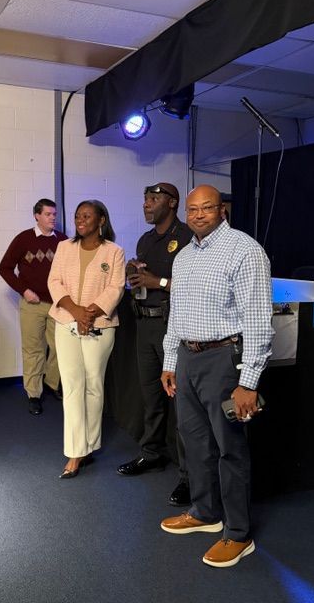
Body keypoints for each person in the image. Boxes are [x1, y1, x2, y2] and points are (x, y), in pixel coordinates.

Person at [160, 184, 273, 568]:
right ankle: (205, 513)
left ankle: (238, 534)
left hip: (225, 360)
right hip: (187, 357)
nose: (198, 215)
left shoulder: (244, 250)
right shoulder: (184, 256)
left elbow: (258, 320)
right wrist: (170, 361)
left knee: (229, 447)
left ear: (221, 209)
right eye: (192, 209)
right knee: (194, 443)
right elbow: (176, 314)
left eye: (206, 208)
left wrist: (248, 381)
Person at [117, 183, 193, 507]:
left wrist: (156, 281)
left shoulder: (187, 238)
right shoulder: (145, 240)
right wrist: (132, 272)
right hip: (144, 325)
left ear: (172, 203)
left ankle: (189, 476)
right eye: (145, 199)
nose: (147, 204)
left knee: (183, 405)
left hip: (171, 325)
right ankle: (152, 454)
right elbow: (141, 281)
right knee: (151, 396)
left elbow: (192, 285)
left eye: (154, 199)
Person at [48, 200, 125, 478]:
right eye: (77, 216)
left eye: (87, 216)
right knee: (72, 386)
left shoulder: (114, 252)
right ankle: (74, 451)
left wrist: (90, 313)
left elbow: (116, 288)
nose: (80, 220)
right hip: (66, 321)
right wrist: (77, 312)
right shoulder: (64, 247)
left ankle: (90, 445)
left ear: (101, 220)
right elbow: (54, 281)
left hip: (100, 325)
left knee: (94, 385)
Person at [0, 199, 67, 415]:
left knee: (60, 347)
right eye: (48, 214)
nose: (53, 218)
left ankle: (52, 383)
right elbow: (4, 268)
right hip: (32, 304)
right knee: (33, 350)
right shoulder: (23, 239)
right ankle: (34, 394)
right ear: (37, 216)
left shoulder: (63, 241)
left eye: (54, 214)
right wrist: (24, 290)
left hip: (57, 305)